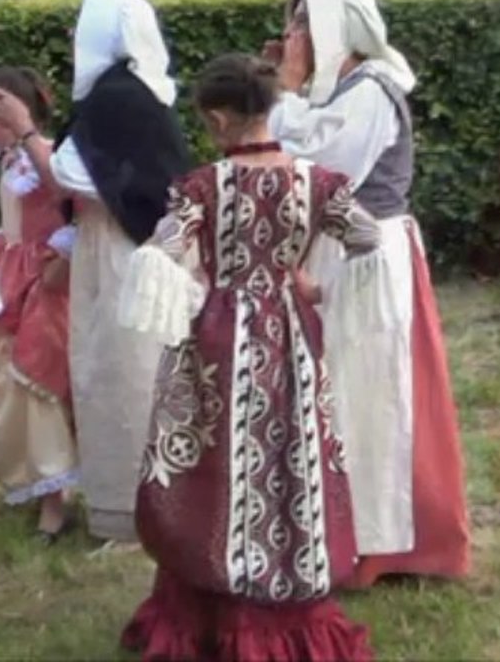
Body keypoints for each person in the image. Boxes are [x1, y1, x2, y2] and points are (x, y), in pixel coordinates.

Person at [117, 52, 378, 662]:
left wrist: (184, 289)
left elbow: (160, 253)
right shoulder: (319, 182)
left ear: (217, 118)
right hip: (293, 337)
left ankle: (213, 587)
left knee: (214, 462)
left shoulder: (202, 187)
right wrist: (322, 290)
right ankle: (288, 588)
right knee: (290, 455)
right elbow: (371, 239)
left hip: (217, 339)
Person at [266, 0, 470, 587]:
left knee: (370, 393)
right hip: (346, 250)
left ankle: (380, 547)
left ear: (336, 31)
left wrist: (286, 88)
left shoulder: (372, 91)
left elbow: (319, 167)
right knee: (339, 391)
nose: (290, 35)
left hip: (368, 258)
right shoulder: (345, 90)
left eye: (302, 24)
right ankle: (338, 536)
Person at [50, 0, 193, 544]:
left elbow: (71, 171)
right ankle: (127, 504)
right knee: (111, 367)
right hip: (112, 241)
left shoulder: (118, 96)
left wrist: (31, 136)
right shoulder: (132, 91)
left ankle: (139, 510)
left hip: (120, 245)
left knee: (125, 371)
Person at [0, 66, 78, 542]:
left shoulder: (46, 156)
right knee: (3, 384)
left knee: (37, 385)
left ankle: (55, 501)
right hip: (9, 274)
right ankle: (34, 481)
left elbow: (68, 205)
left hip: (40, 280)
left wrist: (55, 261)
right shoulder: (12, 161)